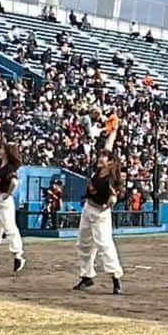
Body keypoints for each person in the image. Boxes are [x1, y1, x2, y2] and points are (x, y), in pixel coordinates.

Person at [74, 118, 125, 294]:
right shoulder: (99, 170)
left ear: (109, 162)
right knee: (83, 243)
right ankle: (86, 277)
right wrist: (113, 131)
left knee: (104, 245)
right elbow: (109, 147)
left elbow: (113, 199)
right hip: (88, 208)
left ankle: (115, 277)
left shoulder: (110, 178)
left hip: (100, 212)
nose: (100, 157)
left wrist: (107, 207)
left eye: (103, 157)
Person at [0, 133, 26, 273]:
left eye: (2, 149)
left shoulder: (10, 167)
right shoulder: (0, 162)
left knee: (9, 228)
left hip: (3, 199)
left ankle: (18, 255)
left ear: (6, 153)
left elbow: (14, 182)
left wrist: (9, 193)